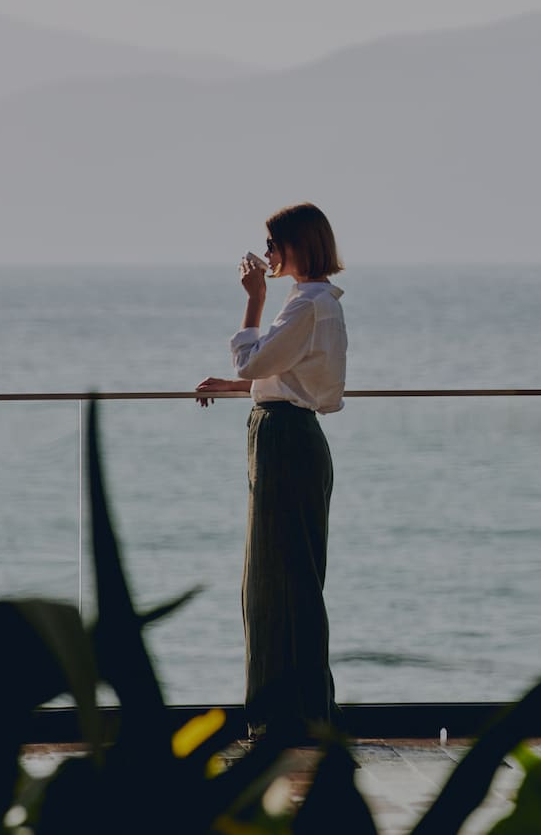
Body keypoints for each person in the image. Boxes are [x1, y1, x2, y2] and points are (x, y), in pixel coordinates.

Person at [195, 202, 347, 743]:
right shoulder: (320, 303)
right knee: (292, 577)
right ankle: (303, 711)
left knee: (274, 582)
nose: (266, 254)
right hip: (296, 438)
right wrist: (243, 387)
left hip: (283, 441)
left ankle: (284, 718)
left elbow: (252, 361)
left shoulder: (305, 306)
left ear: (296, 246)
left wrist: (253, 299)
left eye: (272, 244)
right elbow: (299, 379)